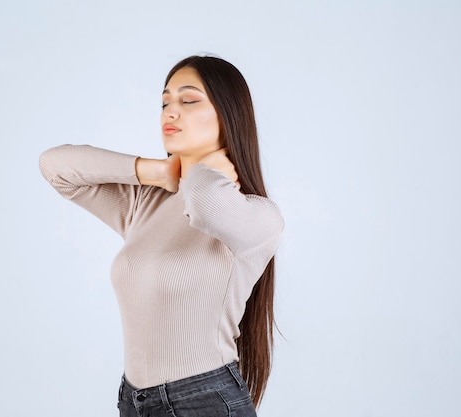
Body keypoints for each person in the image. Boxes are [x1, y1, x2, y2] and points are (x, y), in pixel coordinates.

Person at [39, 55, 283, 417]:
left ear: (229, 115)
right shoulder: (146, 203)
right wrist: (152, 171)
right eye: (165, 102)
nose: (170, 111)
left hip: (204, 402)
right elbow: (55, 166)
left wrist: (211, 164)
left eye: (189, 100)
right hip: (134, 401)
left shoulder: (258, 218)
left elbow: (203, 202)